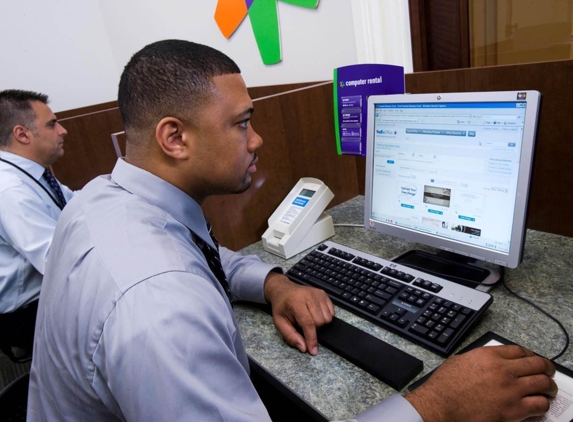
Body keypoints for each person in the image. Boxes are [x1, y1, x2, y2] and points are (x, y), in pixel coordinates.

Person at [27, 40, 557, 422]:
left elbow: (203, 253)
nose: (256, 140)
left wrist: (275, 283)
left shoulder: (103, 197)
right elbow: (169, 278)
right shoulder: (160, 309)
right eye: (241, 123)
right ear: (175, 138)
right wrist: (439, 405)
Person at [0, 90, 73, 359]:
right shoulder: (10, 190)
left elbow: (76, 205)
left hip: (44, 294)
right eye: (52, 124)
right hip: (26, 313)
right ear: (22, 134)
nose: (63, 131)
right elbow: (57, 262)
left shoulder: (29, 173)